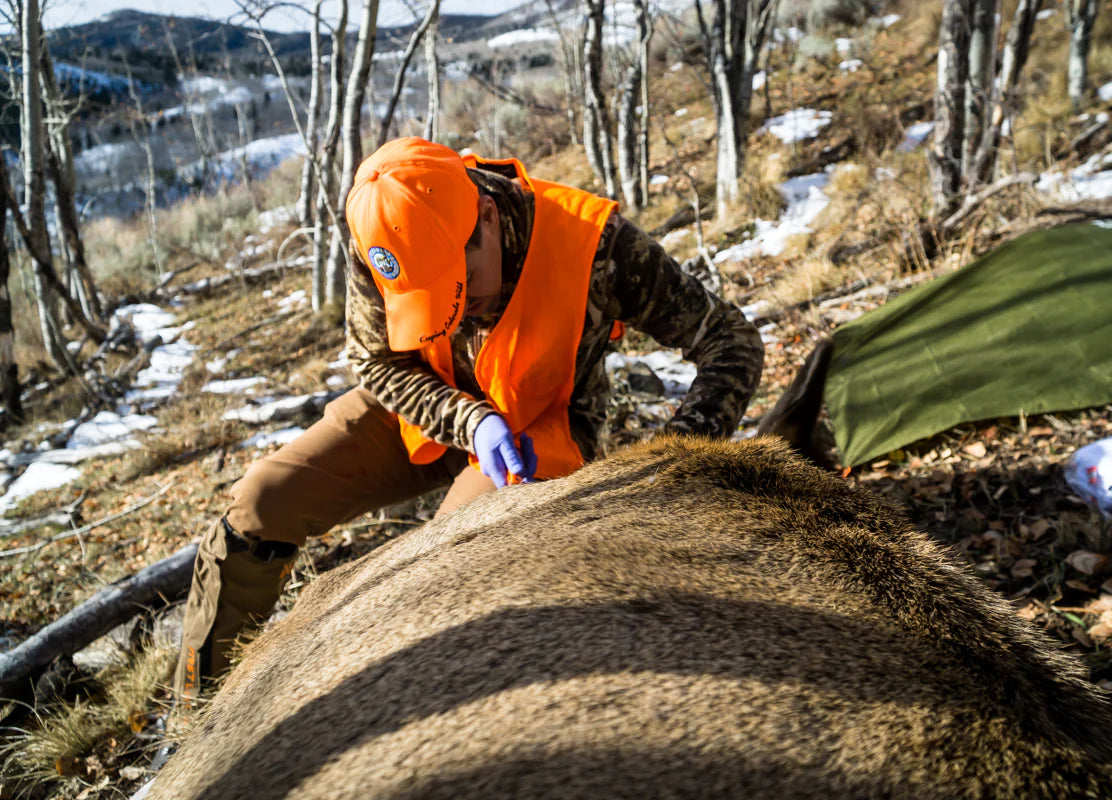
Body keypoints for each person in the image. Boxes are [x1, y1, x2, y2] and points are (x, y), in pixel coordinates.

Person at [172, 136, 764, 704]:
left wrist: (672, 459)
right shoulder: (380, 234)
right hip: (425, 406)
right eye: (427, 298)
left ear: (484, 215)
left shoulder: (594, 243)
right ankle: (198, 718)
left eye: (461, 284)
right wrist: (468, 420)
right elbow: (375, 359)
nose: (455, 311)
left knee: (451, 562)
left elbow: (729, 339)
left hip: (541, 433)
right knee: (261, 502)